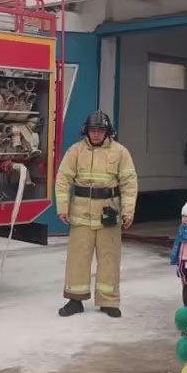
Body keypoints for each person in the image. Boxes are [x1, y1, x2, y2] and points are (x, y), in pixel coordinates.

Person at [54, 111, 138, 317]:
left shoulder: (120, 152)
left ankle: (108, 301)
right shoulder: (75, 151)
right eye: (93, 130)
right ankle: (75, 300)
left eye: (101, 130)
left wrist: (128, 211)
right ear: (86, 130)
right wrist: (62, 207)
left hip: (108, 215)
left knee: (109, 258)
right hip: (81, 214)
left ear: (108, 131)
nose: (97, 134)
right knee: (78, 258)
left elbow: (129, 183)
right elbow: (63, 180)